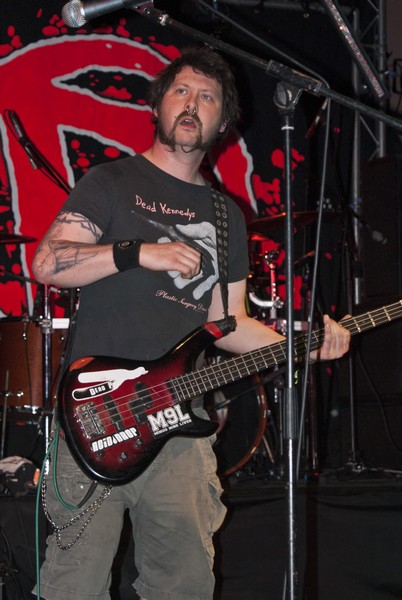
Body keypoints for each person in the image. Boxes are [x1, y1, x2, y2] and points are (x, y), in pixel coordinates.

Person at [31, 46, 350, 600]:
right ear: (157, 106)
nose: (191, 103)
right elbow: (47, 262)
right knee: (75, 584)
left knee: (183, 584)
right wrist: (137, 252)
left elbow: (229, 323)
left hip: (181, 422)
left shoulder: (225, 216)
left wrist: (301, 344)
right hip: (97, 415)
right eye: (180, 91)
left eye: (207, 97)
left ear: (223, 123)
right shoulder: (111, 181)